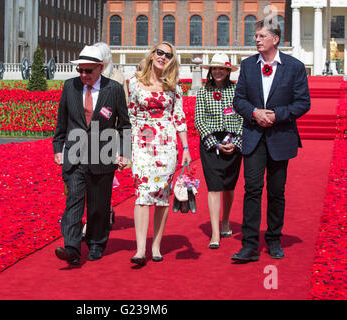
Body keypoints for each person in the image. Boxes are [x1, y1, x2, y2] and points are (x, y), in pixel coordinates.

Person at [231, 19, 310, 262]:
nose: (257, 39)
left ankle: (274, 239)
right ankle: (249, 244)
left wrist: (277, 115)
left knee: (277, 192)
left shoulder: (294, 67)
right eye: (256, 36)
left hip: (280, 136)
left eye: (262, 36)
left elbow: (303, 103)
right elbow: (239, 100)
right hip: (254, 135)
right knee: (252, 189)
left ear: (275, 39)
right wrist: (254, 113)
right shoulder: (247, 66)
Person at [52, 45, 131, 265]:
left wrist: (124, 152)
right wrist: (58, 148)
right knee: (73, 202)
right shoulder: (70, 87)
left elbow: (124, 124)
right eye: (80, 70)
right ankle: (72, 248)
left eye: (89, 70)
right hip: (74, 154)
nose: (84, 75)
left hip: (102, 154)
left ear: (100, 68)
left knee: (99, 205)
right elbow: (62, 121)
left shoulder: (113, 89)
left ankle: (96, 243)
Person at [128, 42, 192, 266]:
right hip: (142, 144)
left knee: (162, 196)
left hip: (166, 145)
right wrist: (128, 148)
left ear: (172, 60)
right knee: (143, 193)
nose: (162, 57)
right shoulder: (134, 83)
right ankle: (140, 250)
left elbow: (179, 117)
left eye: (168, 55)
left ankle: (156, 245)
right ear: (153, 54)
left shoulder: (174, 86)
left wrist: (185, 148)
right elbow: (131, 116)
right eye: (160, 52)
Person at [195, 53, 243, 249]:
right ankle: (215, 232)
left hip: (233, 140)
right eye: (214, 69)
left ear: (228, 71)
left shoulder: (238, 91)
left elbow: (243, 117)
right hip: (210, 143)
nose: (218, 72)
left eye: (221, 68)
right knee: (214, 186)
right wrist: (214, 143)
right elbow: (199, 119)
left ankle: (225, 220)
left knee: (229, 186)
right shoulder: (203, 92)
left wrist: (237, 140)